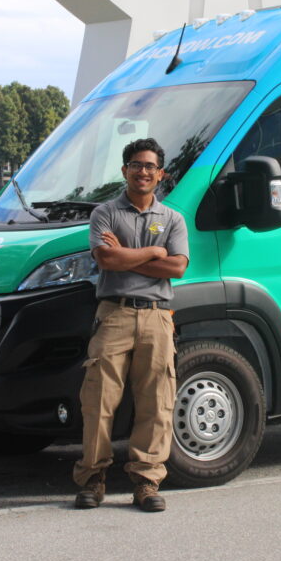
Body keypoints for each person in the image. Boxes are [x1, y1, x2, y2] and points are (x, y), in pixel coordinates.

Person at [73, 137, 189, 513]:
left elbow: (177, 267)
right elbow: (106, 259)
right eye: (136, 165)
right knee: (98, 401)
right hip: (114, 315)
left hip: (157, 317)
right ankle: (92, 480)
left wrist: (126, 255)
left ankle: (147, 482)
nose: (143, 172)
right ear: (125, 170)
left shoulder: (173, 219)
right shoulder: (104, 214)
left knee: (157, 402)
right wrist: (153, 252)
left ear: (161, 174)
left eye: (150, 166)